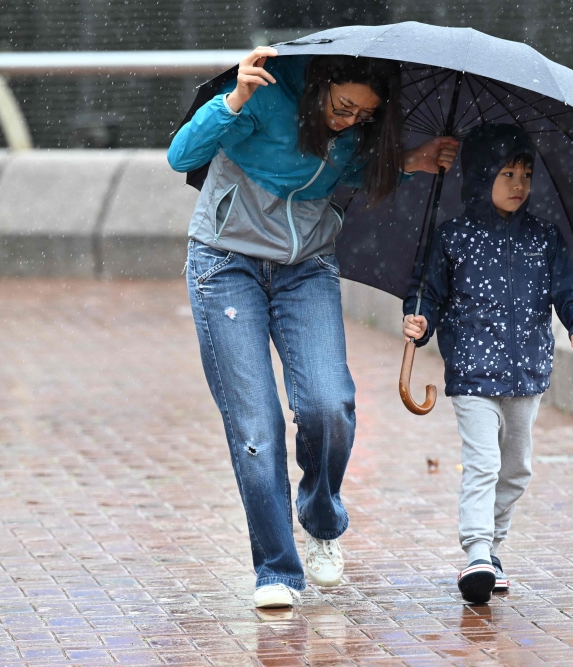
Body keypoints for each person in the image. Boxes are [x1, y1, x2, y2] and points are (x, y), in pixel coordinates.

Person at [168, 47, 458, 609]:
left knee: (330, 406)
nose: (349, 122)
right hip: (225, 265)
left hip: (306, 270)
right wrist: (232, 102)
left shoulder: (354, 130)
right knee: (257, 426)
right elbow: (183, 156)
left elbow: (341, 170)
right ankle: (276, 569)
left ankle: (321, 517)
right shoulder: (264, 96)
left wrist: (409, 159)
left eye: (364, 116)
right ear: (321, 81)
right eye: (344, 107)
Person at [402, 124, 573, 604]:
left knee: (516, 469)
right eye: (507, 173)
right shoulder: (452, 237)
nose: (518, 184)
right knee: (484, 463)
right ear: (480, 177)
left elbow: (570, 292)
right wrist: (420, 320)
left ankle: (492, 547)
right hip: (472, 374)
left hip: (527, 374)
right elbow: (427, 293)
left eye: (526, 174)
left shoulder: (543, 238)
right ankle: (475, 551)